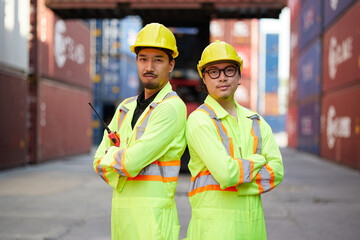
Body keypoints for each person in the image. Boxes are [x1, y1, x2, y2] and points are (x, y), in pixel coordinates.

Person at [93, 23, 187, 240]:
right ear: (136, 61)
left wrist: (114, 158)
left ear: (171, 64)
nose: (149, 67)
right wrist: (120, 159)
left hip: (152, 224)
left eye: (158, 60)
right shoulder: (125, 108)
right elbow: (97, 160)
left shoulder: (172, 107)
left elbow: (131, 163)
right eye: (143, 58)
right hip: (121, 219)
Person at [184, 40, 284, 240]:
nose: (222, 77)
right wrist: (258, 160)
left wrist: (236, 181)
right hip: (213, 233)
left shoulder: (256, 121)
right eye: (213, 71)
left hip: (253, 232)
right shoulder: (199, 120)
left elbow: (277, 171)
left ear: (239, 76)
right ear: (204, 78)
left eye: (229, 70)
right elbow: (226, 175)